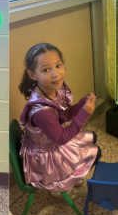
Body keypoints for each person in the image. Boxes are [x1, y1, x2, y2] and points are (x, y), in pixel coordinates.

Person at [17, 42, 98, 194]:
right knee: (96, 152)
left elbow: (64, 114)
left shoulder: (53, 89)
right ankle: (62, 186)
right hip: (46, 155)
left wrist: (81, 105)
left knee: (93, 136)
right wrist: (84, 114)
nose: (56, 74)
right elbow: (61, 139)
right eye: (46, 70)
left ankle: (74, 176)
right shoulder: (42, 111)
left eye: (58, 65)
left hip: (52, 139)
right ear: (32, 75)